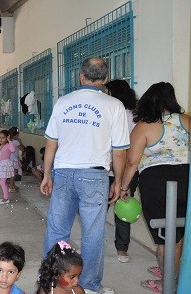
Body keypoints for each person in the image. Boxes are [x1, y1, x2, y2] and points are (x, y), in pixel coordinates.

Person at [40, 57, 129, 294]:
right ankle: (88, 287)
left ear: (81, 76)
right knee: (93, 234)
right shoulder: (114, 106)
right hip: (94, 176)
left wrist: (47, 174)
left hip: (63, 173)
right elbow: (120, 152)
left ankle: (50, 285)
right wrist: (118, 182)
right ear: (106, 78)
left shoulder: (63, 102)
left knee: (57, 231)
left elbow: (51, 143)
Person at [120, 82, 190, 293]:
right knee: (179, 233)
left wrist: (124, 188)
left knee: (164, 237)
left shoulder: (144, 126)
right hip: (187, 178)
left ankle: (167, 283)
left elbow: (132, 162)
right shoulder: (186, 120)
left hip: (156, 182)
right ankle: (172, 272)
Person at [105, 79, 139, 264]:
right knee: (122, 210)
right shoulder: (135, 116)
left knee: (99, 210)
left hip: (111, 169)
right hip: (127, 171)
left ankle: (96, 245)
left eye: (108, 91)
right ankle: (122, 250)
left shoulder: (120, 115)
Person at [0, 130, 15, 205]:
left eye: (3, 137)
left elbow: (13, 150)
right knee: (3, 182)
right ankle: (5, 197)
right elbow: (1, 157)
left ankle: (6, 198)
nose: (1, 139)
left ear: (7, 138)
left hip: (6, 165)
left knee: (2, 182)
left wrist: (10, 141)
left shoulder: (8, 145)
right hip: (3, 164)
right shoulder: (1, 146)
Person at [8, 127, 25, 191]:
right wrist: (20, 141)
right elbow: (22, 149)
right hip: (14, 159)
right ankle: (11, 187)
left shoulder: (8, 141)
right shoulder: (16, 141)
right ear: (17, 135)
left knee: (12, 173)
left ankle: (13, 185)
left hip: (9, 159)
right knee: (14, 174)